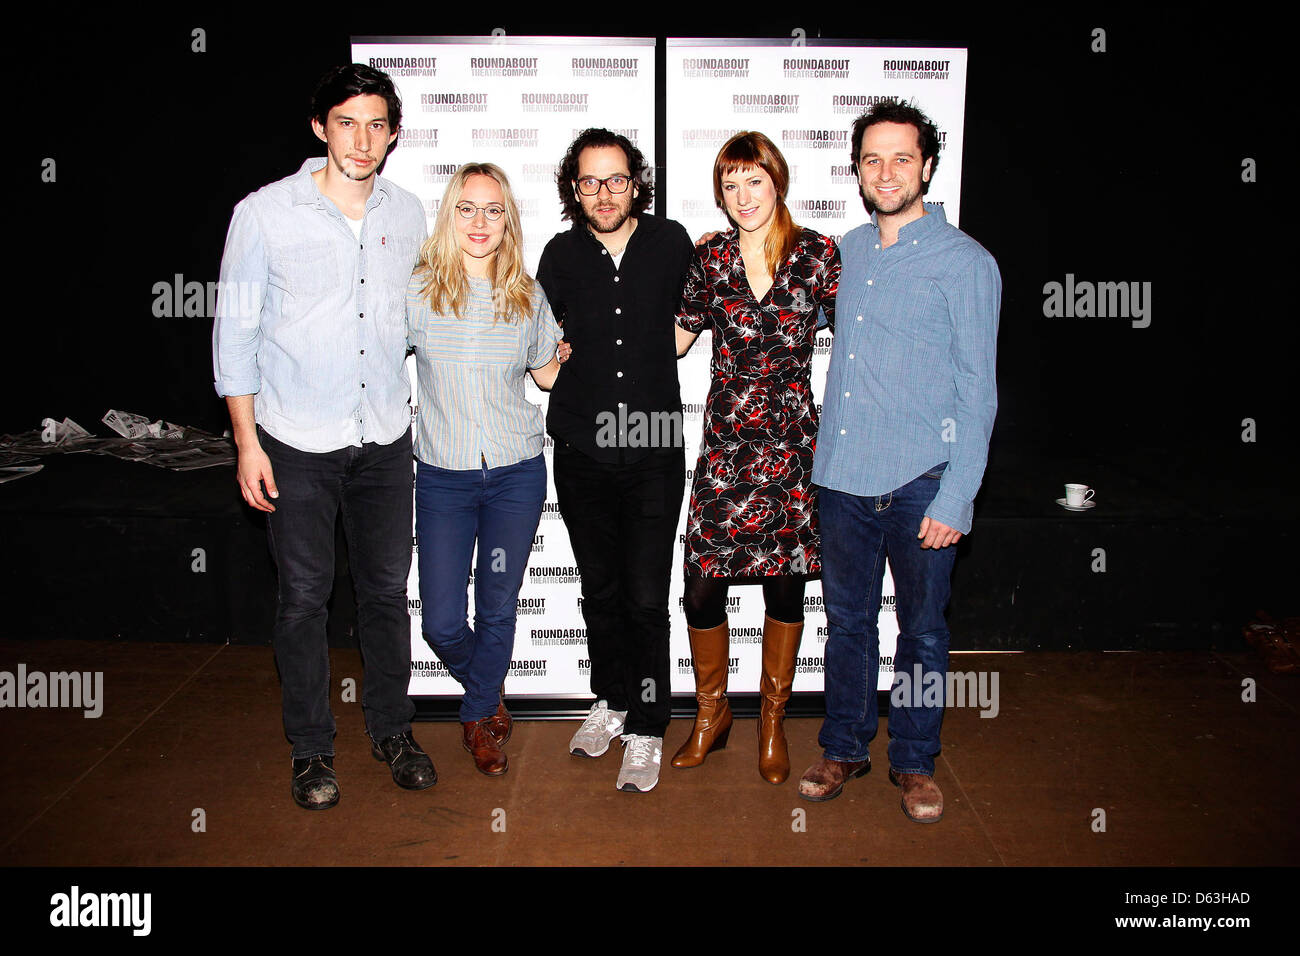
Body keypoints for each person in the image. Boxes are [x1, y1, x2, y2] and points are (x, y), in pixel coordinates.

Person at [213, 64, 435, 810]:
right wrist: (247, 443)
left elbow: (421, 319)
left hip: (383, 438)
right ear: (320, 127)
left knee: (384, 594)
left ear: (394, 133)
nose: (362, 139)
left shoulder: (408, 213)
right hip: (295, 441)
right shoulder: (263, 214)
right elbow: (234, 336)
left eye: (377, 124)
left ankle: (392, 731)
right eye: (347, 122)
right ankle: (311, 750)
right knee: (304, 598)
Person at [797, 101, 1001, 823]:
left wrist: (957, 498)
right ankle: (845, 745)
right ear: (857, 170)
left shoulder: (968, 263)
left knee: (923, 633)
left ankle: (913, 760)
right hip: (842, 480)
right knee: (848, 625)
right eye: (872, 159)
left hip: (923, 482)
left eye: (902, 158)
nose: (886, 172)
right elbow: (780, 300)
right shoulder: (842, 251)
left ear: (928, 166)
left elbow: (979, 391)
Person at [672, 131, 840, 785]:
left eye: (754, 181)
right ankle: (713, 717)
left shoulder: (819, 256)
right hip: (726, 449)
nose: (743, 196)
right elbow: (677, 341)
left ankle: (772, 722)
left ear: (778, 181)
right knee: (702, 587)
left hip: (795, 447)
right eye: (730, 184)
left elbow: (857, 338)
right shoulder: (709, 258)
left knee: (785, 584)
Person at [537, 129, 694, 793]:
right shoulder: (559, 254)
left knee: (644, 596)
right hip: (580, 451)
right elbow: (539, 352)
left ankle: (650, 725)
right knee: (599, 591)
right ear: (574, 189)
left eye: (617, 179)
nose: (605, 193)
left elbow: (685, 337)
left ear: (637, 182)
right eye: (590, 182)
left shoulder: (672, 243)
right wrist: (552, 365)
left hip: (654, 454)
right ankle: (614, 700)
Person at [407, 163, 563, 777]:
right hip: (443, 475)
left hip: (515, 473)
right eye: (466, 208)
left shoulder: (526, 293)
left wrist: (567, 350)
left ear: (508, 221)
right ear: (450, 215)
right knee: (443, 619)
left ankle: (476, 721)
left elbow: (546, 374)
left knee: (497, 604)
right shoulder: (417, 292)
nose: (479, 221)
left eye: (492, 210)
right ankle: (488, 691)